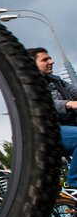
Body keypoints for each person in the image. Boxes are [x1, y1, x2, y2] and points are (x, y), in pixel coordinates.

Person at [28, 47, 77, 189]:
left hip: (67, 130)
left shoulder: (57, 81)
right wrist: (69, 104)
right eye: (45, 60)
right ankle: (73, 182)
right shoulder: (27, 86)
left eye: (50, 58)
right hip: (46, 134)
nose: (51, 61)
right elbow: (42, 104)